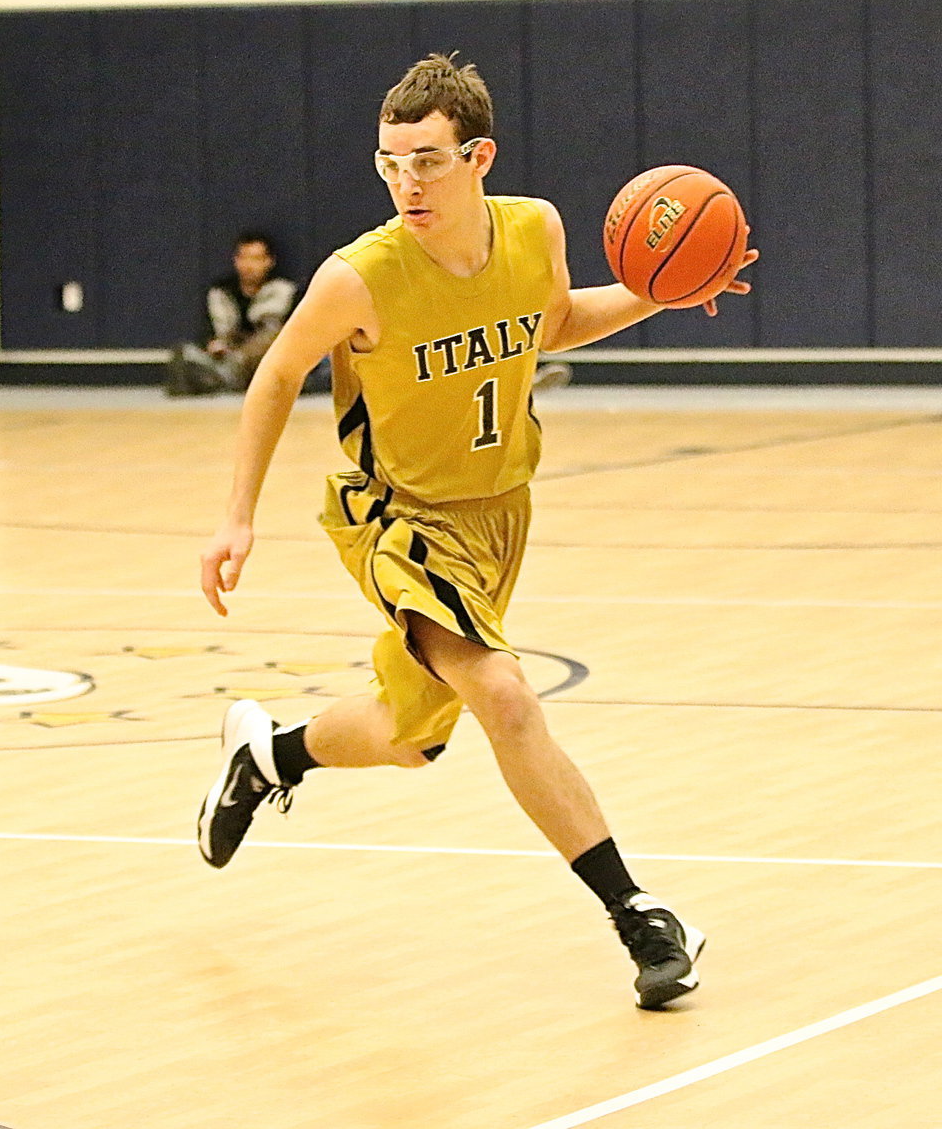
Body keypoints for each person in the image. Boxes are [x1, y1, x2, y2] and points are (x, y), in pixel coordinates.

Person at [196, 54, 757, 1010]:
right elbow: (277, 374)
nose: (407, 182)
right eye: (390, 164)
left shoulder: (535, 230)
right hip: (397, 515)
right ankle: (641, 916)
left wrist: (661, 289)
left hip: (502, 513)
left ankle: (267, 755)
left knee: (410, 736)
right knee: (505, 696)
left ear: (478, 155)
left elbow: (552, 321)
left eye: (427, 160)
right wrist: (236, 514)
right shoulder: (359, 276)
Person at [167, 232, 306, 395]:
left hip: (266, 362)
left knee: (272, 339)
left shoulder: (285, 292)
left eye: (256, 259)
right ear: (236, 260)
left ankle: (225, 378)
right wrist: (214, 344)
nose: (249, 266)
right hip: (226, 357)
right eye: (244, 258)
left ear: (269, 261)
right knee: (183, 352)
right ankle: (223, 377)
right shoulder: (221, 292)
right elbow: (213, 334)